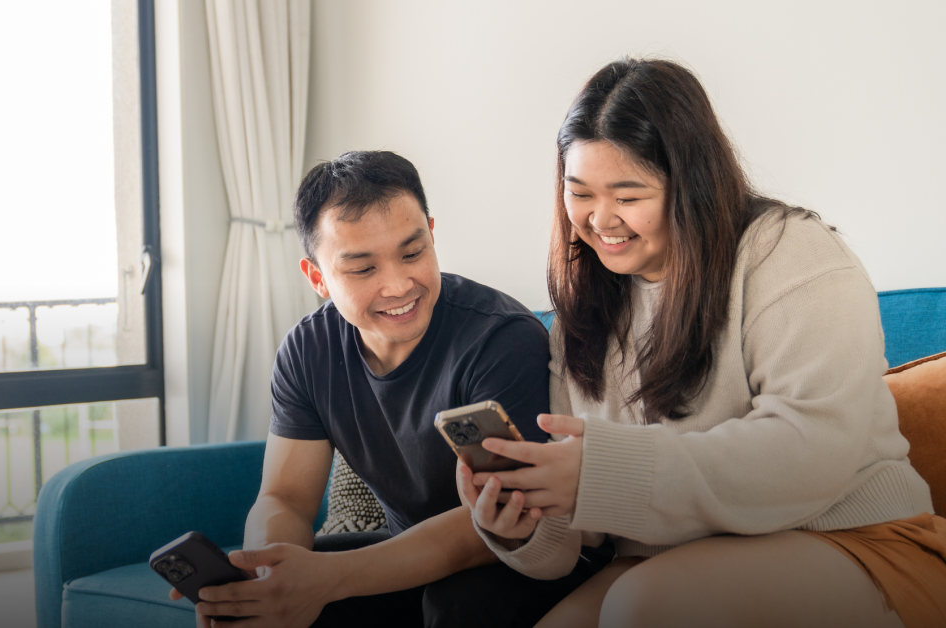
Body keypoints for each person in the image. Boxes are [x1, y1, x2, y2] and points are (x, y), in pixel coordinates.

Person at [457, 58, 946, 628]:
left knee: (643, 606)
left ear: (690, 184)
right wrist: (522, 524)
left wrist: (602, 473)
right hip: (666, 565)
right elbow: (580, 534)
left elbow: (811, 451)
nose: (599, 218)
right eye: (579, 192)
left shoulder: (790, 253)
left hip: (852, 539)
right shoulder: (585, 309)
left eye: (627, 194)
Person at [173, 150, 612, 627]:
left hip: (518, 556)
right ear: (317, 277)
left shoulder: (502, 340)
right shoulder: (308, 350)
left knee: (458, 605)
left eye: (412, 252)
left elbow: (498, 520)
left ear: (431, 234)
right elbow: (285, 499)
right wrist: (266, 575)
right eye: (363, 269)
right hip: (404, 555)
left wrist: (327, 577)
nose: (398, 285)